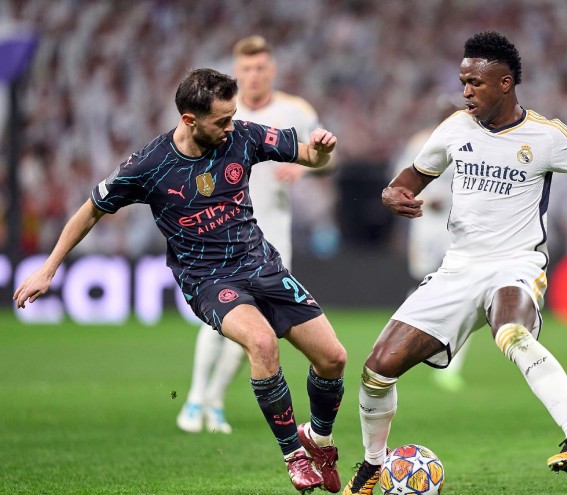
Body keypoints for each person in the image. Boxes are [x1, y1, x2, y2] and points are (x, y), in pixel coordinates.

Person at [14, 68, 346, 494]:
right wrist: (48, 269)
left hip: (262, 266)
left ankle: (317, 438)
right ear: (190, 120)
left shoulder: (243, 136)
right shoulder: (149, 165)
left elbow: (309, 157)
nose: (231, 127)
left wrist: (321, 151)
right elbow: (92, 209)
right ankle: (293, 455)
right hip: (208, 280)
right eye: (221, 121)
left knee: (333, 359)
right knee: (262, 343)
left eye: (232, 117)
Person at [342, 31, 567, 494]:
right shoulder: (454, 128)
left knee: (511, 332)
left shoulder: (549, 136)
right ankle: (372, 467)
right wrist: (391, 194)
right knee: (377, 369)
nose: (465, 91)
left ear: (505, 83)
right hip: (458, 267)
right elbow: (412, 177)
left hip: (516, 264)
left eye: (474, 83)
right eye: (463, 81)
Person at [176, 35, 326, 436]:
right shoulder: (220, 117)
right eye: (246, 69)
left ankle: (214, 400)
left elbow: (325, 158)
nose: (254, 75)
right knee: (220, 321)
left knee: (257, 329)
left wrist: (305, 166)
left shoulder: (296, 110)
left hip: (272, 237)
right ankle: (195, 398)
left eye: (260, 68)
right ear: (236, 72)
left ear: (271, 70)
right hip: (222, 237)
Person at [391, 96, 472, 393]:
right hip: (425, 222)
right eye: (443, 113)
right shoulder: (420, 142)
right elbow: (400, 183)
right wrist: (423, 199)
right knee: (420, 284)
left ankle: (450, 363)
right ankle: (409, 344)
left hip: (457, 222)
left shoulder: (470, 143)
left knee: (463, 290)